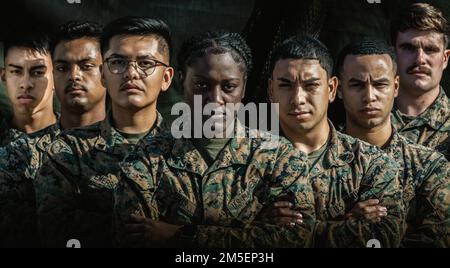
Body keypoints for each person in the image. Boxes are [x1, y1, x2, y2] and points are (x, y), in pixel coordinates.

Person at [113, 31, 316, 248]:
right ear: (182, 81)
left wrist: (176, 235)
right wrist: (249, 228)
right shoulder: (146, 158)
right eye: (202, 86)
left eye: (229, 87)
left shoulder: (279, 158)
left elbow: (297, 239)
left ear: (244, 86)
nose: (215, 100)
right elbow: (137, 239)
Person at [35, 16, 174, 247]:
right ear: (103, 74)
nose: (131, 73)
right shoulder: (66, 151)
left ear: (166, 78)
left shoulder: (190, 149)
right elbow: (54, 229)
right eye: (118, 62)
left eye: (146, 63)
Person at [265, 36, 404, 247]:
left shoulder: (372, 164)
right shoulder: (244, 164)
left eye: (311, 85)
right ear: (271, 91)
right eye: (286, 85)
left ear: (331, 89)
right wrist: (345, 224)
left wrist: (265, 229)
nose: (298, 98)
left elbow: (382, 237)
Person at [337, 39, 450, 247]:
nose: (369, 96)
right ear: (338, 89)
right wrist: (344, 227)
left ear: (395, 87)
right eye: (357, 85)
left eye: (380, 84)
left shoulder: (431, 167)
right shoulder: (311, 164)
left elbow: (437, 239)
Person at [391, 3, 450, 160]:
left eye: (430, 49)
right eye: (409, 48)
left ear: (445, 59)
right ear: (392, 54)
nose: (419, 60)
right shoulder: (364, 118)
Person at [52, 21, 107, 130]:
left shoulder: (135, 145)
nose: (73, 76)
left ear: (106, 73)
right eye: (62, 68)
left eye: (86, 66)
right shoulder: (24, 146)